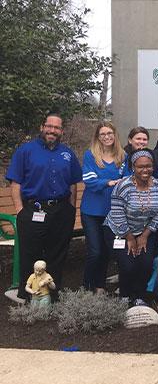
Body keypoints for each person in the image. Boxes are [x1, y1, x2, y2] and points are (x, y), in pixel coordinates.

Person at [6, 111, 82, 301]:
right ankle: (28, 294)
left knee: (57, 252)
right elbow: (15, 182)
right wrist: (20, 210)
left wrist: (71, 209)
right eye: (49, 126)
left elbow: (73, 183)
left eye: (57, 128)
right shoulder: (26, 151)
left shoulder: (67, 153)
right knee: (30, 252)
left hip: (61, 211)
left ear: (61, 131)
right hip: (33, 210)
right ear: (42, 127)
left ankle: (52, 295)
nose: (52, 130)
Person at [103, 148, 158, 306]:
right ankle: (124, 294)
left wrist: (144, 236)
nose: (145, 170)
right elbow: (117, 212)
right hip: (119, 230)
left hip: (145, 231)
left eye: (149, 166)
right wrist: (129, 237)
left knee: (145, 262)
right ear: (133, 167)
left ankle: (139, 295)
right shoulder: (123, 186)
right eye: (140, 166)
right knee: (127, 264)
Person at [80, 121, 126, 293]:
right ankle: (86, 286)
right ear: (97, 137)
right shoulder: (90, 155)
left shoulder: (123, 156)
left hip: (112, 212)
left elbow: (127, 180)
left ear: (115, 135)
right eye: (103, 134)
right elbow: (90, 180)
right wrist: (110, 182)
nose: (107, 137)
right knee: (95, 251)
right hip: (91, 210)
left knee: (107, 251)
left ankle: (100, 285)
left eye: (109, 133)